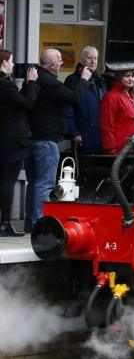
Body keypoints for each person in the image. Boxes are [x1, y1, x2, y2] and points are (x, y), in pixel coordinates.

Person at [25, 49, 89, 231]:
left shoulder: (36, 78)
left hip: (32, 138)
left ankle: (31, 222)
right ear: (52, 64)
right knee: (45, 183)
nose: (61, 64)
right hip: (45, 140)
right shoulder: (48, 81)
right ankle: (40, 224)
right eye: (60, 61)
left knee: (34, 182)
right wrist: (83, 79)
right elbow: (73, 97)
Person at [0, 51, 38, 236]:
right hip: (10, 141)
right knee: (7, 181)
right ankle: (4, 222)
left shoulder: (6, 86)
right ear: (4, 62)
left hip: (5, 140)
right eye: (12, 61)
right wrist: (30, 83)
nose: (14, 65)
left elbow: (18, 102)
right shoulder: (4, 85)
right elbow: (28, 103)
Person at [63, 46, 106, 155]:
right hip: (82, 134)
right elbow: (67, 109)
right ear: (81, 60)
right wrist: (74, 132)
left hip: (100, 134)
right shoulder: (72, 80)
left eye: (95, 58)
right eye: (89, 58)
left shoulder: (99, 80)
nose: (93, 61)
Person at [100, 70, 134, 155]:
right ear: (119, 77)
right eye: (127, 76)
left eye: (133, 76)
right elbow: (107, 125)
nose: (131, 79)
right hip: (120, 150)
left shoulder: (132, 96)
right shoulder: (111, 97)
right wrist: (111, 150)